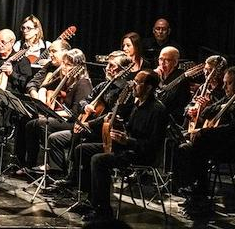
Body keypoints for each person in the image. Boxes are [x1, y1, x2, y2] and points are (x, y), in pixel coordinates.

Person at [64, 69, 166, 222]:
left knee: (99, 160)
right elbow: (130, 129)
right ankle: (91, 199)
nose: (133, 86)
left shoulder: (158, 110)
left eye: (137, 83)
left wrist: (127, 141)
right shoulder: (137, 104)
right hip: (126, 148)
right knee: (82, 149)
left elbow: (153, 145)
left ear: (149, 87)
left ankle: (103, 211)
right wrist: (118, 123)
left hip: (141, 154)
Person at [176, 66, 235, 214]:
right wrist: (223, 106)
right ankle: (191, 186)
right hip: (223, 142)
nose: (224, 87)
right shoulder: (231, 98)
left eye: (229, 83)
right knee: (183, 142)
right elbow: (207, 111)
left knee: (199, 143)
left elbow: (234, 129)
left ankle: (199, 191)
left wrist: (203, 131)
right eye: (224, 83)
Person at [46, 50, 133, 182]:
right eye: (107, 65)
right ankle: (58, 175)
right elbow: (84, 101)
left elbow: (111, 116)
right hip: (89, 128)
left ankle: (75, 178)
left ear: (123, 70)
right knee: (55, 138)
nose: (107, 68)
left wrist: (88, 124)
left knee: (79, 136)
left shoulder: (125, 91)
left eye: (112, 66)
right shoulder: (103, 85)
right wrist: (85, 106)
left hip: (103, 133)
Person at [18, 48, 92, 173]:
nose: (64, 67)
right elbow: (44, 87)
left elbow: (75, 113)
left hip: (74, 123)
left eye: (69, 65)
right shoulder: (66, 79)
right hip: (62, 118)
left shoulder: (83, 84)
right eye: (63, 63)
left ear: (78, 67)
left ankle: (53, 166)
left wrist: (51, 114)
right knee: (30, 123)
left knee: (41, 123)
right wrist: (42, 94)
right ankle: (30, 164)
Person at [154, 46, 192, 124]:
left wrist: (159, 82)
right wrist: (153, 76)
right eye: (160, 59)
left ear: (175, 63)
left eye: (167, 60)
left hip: (171, 119)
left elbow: (166, 102)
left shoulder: (181, 78)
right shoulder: (156, 74)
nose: (162, 63)